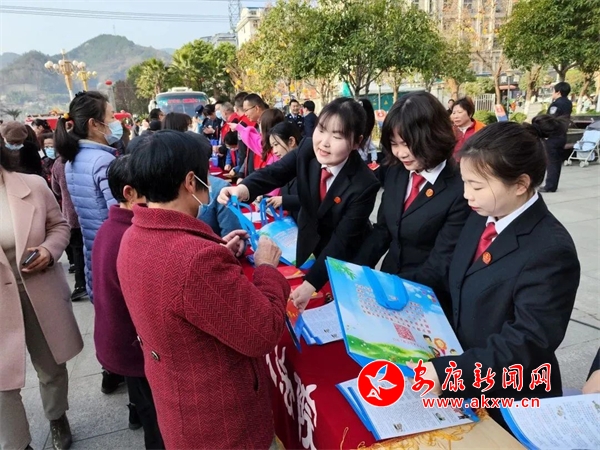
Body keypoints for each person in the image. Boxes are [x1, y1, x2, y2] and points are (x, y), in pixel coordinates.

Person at [117, 130, 290, 449]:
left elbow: (177, 293)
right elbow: (263, 332)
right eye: (205, 176)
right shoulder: (195, 260)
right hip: (223, 424)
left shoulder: (133, 235)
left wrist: (219, 253)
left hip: (180, 409)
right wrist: (266, 267)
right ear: (190, 181)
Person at [411, 121, 580, 430]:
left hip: (509, 400)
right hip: (463, 377)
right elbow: (453, 277)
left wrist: (451, 372)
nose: (466, 195)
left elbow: (527, 342)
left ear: (520, 184)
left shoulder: (550, 251)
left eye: (477, 186)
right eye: (465, 182)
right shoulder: (482, 215)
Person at [218, 97, 380, 312]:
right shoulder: (307, 149)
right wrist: (243, 189)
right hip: (308, 243)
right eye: (321, 130)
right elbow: (275, 172)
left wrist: (310, 285)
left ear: (357, 142)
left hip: (345, 259)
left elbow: (341, 241)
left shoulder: (365, 184)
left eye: (337, 136)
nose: (324, 142)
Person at [354, 92, 470, 313]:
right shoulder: (397, 171)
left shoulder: (459, 188)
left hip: (427, 297)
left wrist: (392, 287)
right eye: (394, 144)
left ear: (433, 136)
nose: (401, 153)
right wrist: (355, 271)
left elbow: (440, 263)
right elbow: (383, 230)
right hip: (389, 282)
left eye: (407, 144)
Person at [0, 145, 83, 450]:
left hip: (37, 289)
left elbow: (59, 226)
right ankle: (17, 443)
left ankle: (57, 416)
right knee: (2, 382)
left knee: (51, 365)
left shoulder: (32, 185)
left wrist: (48, 251)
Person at [91, 156, 164, 449]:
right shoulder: (131, 236)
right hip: (135, 349)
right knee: (156, 420)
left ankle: (137, 413)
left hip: (124, 344)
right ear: (130, 193)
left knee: (143, 403)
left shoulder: (110, 227)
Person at [54, 91, 124, 394]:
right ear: (95, 124)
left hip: (93, 248)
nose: (115, 122)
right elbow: (119, 213)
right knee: (123, 318)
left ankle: (111, 369)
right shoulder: (103, 162)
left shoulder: (73, 160)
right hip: (114, 251)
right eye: (111, 117)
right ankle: (126, 377)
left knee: (108, 315)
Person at [51, 154, 87, 302]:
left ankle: (80, 284)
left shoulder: (58, 163)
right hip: (91, 212)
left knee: (77, 250)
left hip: (71, 213)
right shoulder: (86, 158)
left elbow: (56, 189)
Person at [265, 121, 302, 219]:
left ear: (291, 141)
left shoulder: (310, 166)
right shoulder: (284, 167)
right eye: (272, 147)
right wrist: (267, 199)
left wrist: (284, 200)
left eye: (276, 144)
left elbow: (314, 200)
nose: (274, 151)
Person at [540, 82, 573, 193]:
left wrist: (544, 133)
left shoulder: (556, 104)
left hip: (553, 136)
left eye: (553, 91)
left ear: (558, 92)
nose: (552, 93)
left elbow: (550, 120)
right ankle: (553, 184)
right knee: (557, 161)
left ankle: (549, 186)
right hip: (562, 135)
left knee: (551, 162)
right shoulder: (568, 103)